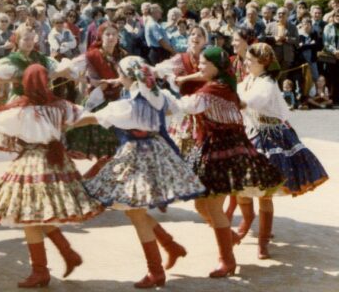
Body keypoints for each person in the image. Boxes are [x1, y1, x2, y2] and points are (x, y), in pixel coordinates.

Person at [0, 64, 102, 288]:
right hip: (57, 163)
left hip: (32, 162)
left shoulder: (21, 109)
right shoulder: (60, 106)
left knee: (29, 215)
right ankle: (66, 254)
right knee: (39, 214)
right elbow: (85, 117)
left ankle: (42, 270)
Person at [79, 57, 206, 288]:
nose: (119, 79)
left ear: (128, 77)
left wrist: (64, 121)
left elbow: (94, 117)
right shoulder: (157, 96)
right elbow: (173, 108)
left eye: (121, 75)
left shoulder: (128, 105)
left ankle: (156, 271)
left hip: (137, 157)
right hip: (157, 151)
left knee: (135, 212)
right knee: (133, 210)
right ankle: (169, 245)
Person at [171, 47, 283, 278]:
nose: (199, 67)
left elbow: (189, 106)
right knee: (201, 205)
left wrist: (157, 98)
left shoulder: (215, 89)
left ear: (216, 66)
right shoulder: (224, 86)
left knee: (211, 205)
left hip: (222, 151)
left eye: (203, 63)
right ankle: (230, 238)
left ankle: (227, 260)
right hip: (215, 148)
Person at [235, 43, 328, 259]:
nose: (246, 62)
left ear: (262, 62)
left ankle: (263, 241)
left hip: (269, 138)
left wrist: (224, 96)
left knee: (265, 192)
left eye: (250, 59)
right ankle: (246, 223)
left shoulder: (267, 84)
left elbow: (248, 102)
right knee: (242, 186)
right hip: (250, 134)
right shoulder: (248, 80)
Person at [65, 23, 125, 172]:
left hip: (119, 102)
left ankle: (103, 178)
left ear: (118, 37)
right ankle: (96, 178)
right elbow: (70, 72)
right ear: (100, 36)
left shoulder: (123, 55)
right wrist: (91, 82)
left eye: (114, 34)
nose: (111, 37)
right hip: (98, 102)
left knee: (117, 148)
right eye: (107, 34)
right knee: (103, 148)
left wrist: (119, 81)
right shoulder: (91, 55)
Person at [155, 26, 209, 156]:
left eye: (199, 35)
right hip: (186, 109)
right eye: (192, 34)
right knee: (182, 149)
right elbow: (159, 69)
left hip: (207, 109)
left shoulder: (209, 58)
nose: (195, 37)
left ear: (205, 41)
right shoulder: (180, 58)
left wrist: (184, 78)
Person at [265, 7, 298, 75]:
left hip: (287, 56)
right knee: (273, 75)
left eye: (283, 13)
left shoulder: (292, 26)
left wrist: (286, 39)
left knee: (283, 76)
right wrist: (274, 38)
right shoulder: (270, 25)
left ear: (287, 15)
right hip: (273, 55)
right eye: (279, 13)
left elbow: (296, 40)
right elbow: (264, 38)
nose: (281, 15)